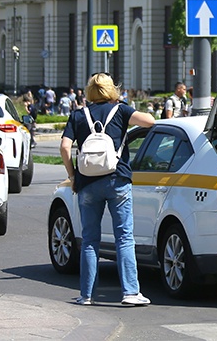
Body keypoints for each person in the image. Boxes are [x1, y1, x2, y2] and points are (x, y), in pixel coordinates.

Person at [59, 73, 155, 306]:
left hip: (87, 183)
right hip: (117, 180)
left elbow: (64, 146)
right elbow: (150, 121)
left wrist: (72, 176)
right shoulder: (121, 111)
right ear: (112, 90)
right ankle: (131, 293)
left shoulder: (78, 115)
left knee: (90, 240)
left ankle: (87, 295)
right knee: (124, 237)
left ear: (90, 91)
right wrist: (123, 106)